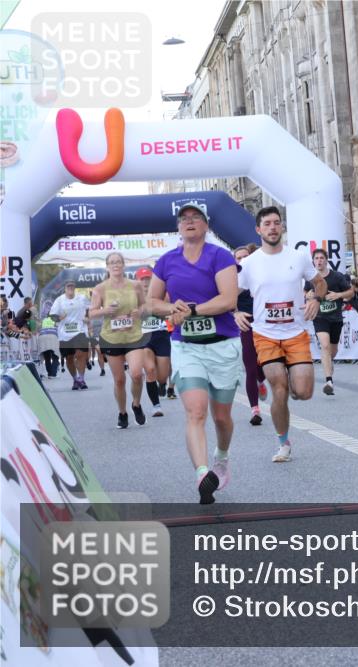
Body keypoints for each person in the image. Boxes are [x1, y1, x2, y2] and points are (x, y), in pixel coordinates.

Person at [148, 202, 242, 504]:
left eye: (195, 218)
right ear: (178, 227)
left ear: (206, 225)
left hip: (222, 344)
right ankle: (203, 474)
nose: (189, 222)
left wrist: (191, 310)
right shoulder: (166, 262)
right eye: (184, 219)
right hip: (186, 347)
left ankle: (221, 457)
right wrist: (169, 308)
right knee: (196, 411)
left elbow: (228, 300)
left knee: (222, 417)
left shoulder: (221, 256)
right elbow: (153, 302)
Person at [238, 206, 327, 463]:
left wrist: (315, 299)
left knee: (304, 391)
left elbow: (319, 282)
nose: (273, 227)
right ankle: (283, 443)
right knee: (279, 387)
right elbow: (230, 291)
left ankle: (290, 384)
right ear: (258, 229)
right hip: (265, 334)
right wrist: (234, 312)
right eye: (267, 223)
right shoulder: (249, 263)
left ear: (282, 227)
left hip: (295, 332)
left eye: (277, 223)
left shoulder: (298, 257)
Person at [89, 252, 148, 429]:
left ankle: (136, 404)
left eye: (118, 262)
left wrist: (140, 311)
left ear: (124, 265)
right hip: (111, 338)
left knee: (137, 374)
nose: (115, 265)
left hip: (133, 336)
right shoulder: (100, 288)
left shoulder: (136, 285)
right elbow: (91, 313)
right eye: (112, 263)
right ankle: (122, 412)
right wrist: (105, 311)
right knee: (119, 380)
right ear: (107, 266)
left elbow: (144, 305)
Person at [307, 248, 354, 391]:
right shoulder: (311, 278)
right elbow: (304, 292)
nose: (319, 261)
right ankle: (329, 381)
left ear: (326, 260)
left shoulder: (337, 277)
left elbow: (351, 292)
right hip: (320, 317)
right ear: (313, 261)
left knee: (332, 350)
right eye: (316, 258)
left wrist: (338, 295)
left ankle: (328, 362)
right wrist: (308, 295)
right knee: (325, 346)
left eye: (321, 258)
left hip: (336, 318)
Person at [233, 245, 267, 425]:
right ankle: (255, 410)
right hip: (246, 324)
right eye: (239, 258)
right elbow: (227, 300)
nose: (242, 260)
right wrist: (236, 312)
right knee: (250, 367)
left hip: (266, 324)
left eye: (245, 256)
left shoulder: (261, 275)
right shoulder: (232, 281)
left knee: (264, 364)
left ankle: (262, 380)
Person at [136, 267, 170, 417]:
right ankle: (156, 406)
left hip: (161, 335)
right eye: (142, 279)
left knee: (162, 376)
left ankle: (162, 384)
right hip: (143, 338)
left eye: (148, 279)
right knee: (150, 370)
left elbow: (170, 309)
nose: (145, 282)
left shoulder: (161, 295)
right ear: (137, 281)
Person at [49, 281, 91, 389]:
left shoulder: (81, 298)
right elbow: (52, 315)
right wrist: (59, 318)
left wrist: (87, 317)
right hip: (64, 334)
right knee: (69, 358)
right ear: (65, 288)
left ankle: (81, 378)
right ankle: (75, 379)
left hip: (79, 330)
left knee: (80, 355)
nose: (71, 288)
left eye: (72, 286)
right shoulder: (59, 300)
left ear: (75, 287)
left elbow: (89, 309)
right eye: (68, 286)